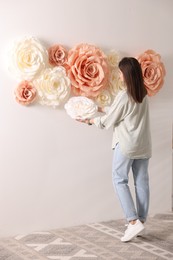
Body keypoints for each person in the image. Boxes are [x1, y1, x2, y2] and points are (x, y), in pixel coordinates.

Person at [77, 57, 152, 242]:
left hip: (127, 145)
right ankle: (141, 221)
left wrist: (89, 120)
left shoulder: (124, 95)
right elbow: (122, 110)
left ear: (126, 73)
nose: (119, 75)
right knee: (141, 182)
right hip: (143, 145)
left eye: (120, 72)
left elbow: (107, 122)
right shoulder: (143, 94)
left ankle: (133, 222)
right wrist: (101, 108)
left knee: (119, 180)